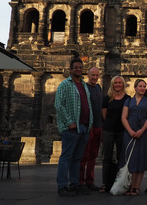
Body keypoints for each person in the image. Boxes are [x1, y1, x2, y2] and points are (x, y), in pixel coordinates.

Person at [55, 57, 94, 197]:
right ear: (70, 69)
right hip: (72, 127)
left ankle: (75, 184)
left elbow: (87, 104)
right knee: (66, 157)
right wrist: (69, 122)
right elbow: (59, 105)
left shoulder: (83, 85)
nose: (78, 69)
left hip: (83, 126)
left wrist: (90, 123)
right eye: (76, 67)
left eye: (80, 67)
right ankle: (62, 186)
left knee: (77, 158)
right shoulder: (65, 84)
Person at [120, 79, 147, 196]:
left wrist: (141, 131)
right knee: (130, 159)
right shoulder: (128, 100)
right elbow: (124, 117)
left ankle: (136, 186)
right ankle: (129, 185)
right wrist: (130, 130)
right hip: (129, 132)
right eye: (140, 86)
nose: (142, 88)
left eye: (144, 86)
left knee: (141, 159)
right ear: (135, 87)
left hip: (144, 133)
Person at [99, 75, 130, 193]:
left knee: (121, 157)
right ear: (112, 84)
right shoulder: (107, 98)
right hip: (108, 130)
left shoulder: (127, 98)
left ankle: (120, 182)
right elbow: (104, 115)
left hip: (122, 131)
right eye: (115, 83)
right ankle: (106, 183)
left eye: (120, 83)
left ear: (123, 84)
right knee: (107, 157)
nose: (118, 85)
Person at [79, 66, 103, 191]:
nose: (94, 77)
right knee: (84, 154)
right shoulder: (84, 88)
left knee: (94, 155)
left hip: (98, 125)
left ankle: (90, 180)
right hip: (88, 125)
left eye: (96, 75)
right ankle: (80, 181)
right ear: (88, 75)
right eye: (92, 75)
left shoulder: (99, 88)